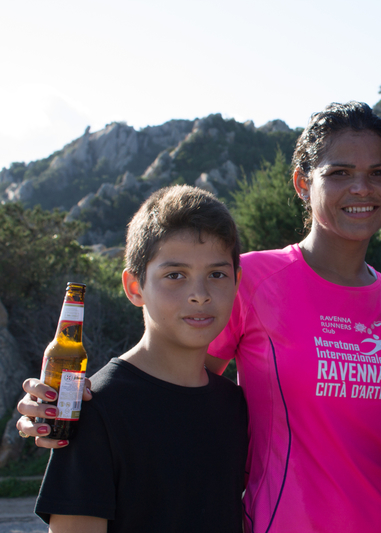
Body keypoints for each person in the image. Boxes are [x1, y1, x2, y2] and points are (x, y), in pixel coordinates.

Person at [19, 102, 381, 533]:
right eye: (339, 172)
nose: (362, 187)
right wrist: (70, 412)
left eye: (379, 172)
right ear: (303, 184)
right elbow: (171, 379)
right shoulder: (248, 281)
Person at [25, 185, 249, 532]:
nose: (200, 295)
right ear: (134, 288)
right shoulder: (96, 408)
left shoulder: (236, 406)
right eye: (175, 275)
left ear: (236, 282)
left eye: (216, 274)